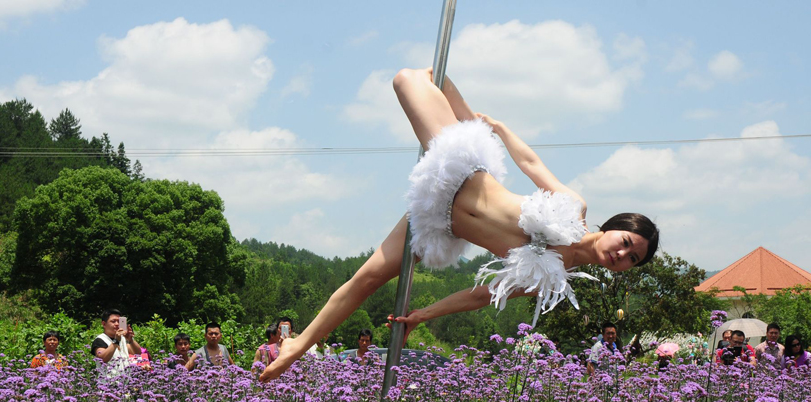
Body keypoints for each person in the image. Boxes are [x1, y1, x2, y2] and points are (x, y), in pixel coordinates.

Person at [259, 67, 659, 382]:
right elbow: (533, 165)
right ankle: (453, 96)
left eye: (631, 258)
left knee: (368, 279)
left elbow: (480, 295)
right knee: (409, 78)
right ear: (611, 227)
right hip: (460, 170)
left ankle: (299, 344)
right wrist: (499, 129)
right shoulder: (573, 208)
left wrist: (422, 314)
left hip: (438, 221)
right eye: (625, 241)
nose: (622, 253)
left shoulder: (551, 280)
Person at [91, 309, 144, 378]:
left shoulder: (123, 339)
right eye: (113, 321)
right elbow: (102, 359)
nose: (117, 324)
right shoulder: (100, 340)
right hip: (108, 385)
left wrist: (130, 340)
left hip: (124, 384)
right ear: (104, 324)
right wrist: (116, 341)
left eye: (119, 321)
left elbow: (137, 353)